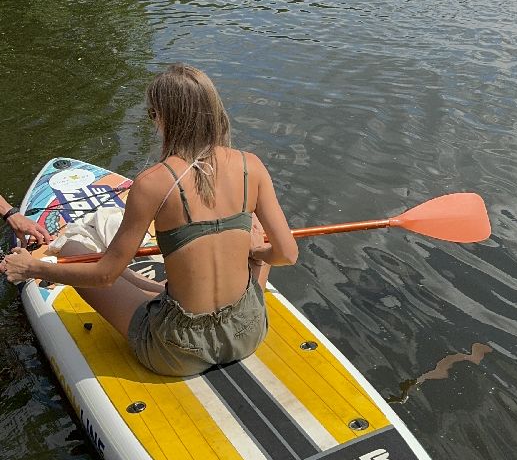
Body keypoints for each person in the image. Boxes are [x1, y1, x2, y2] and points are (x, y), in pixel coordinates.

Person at [1, 64, 298, 377]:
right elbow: (287, 255)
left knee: (74, 251)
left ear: (163, 116)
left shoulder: (153, 183)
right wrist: (256, 249)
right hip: (248, 331)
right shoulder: (252, 165)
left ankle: (165, 295)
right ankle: (168, 288)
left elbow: (105, 276)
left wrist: (31, 268)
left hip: (177, 350)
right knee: (257, 229)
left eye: (151, 115)